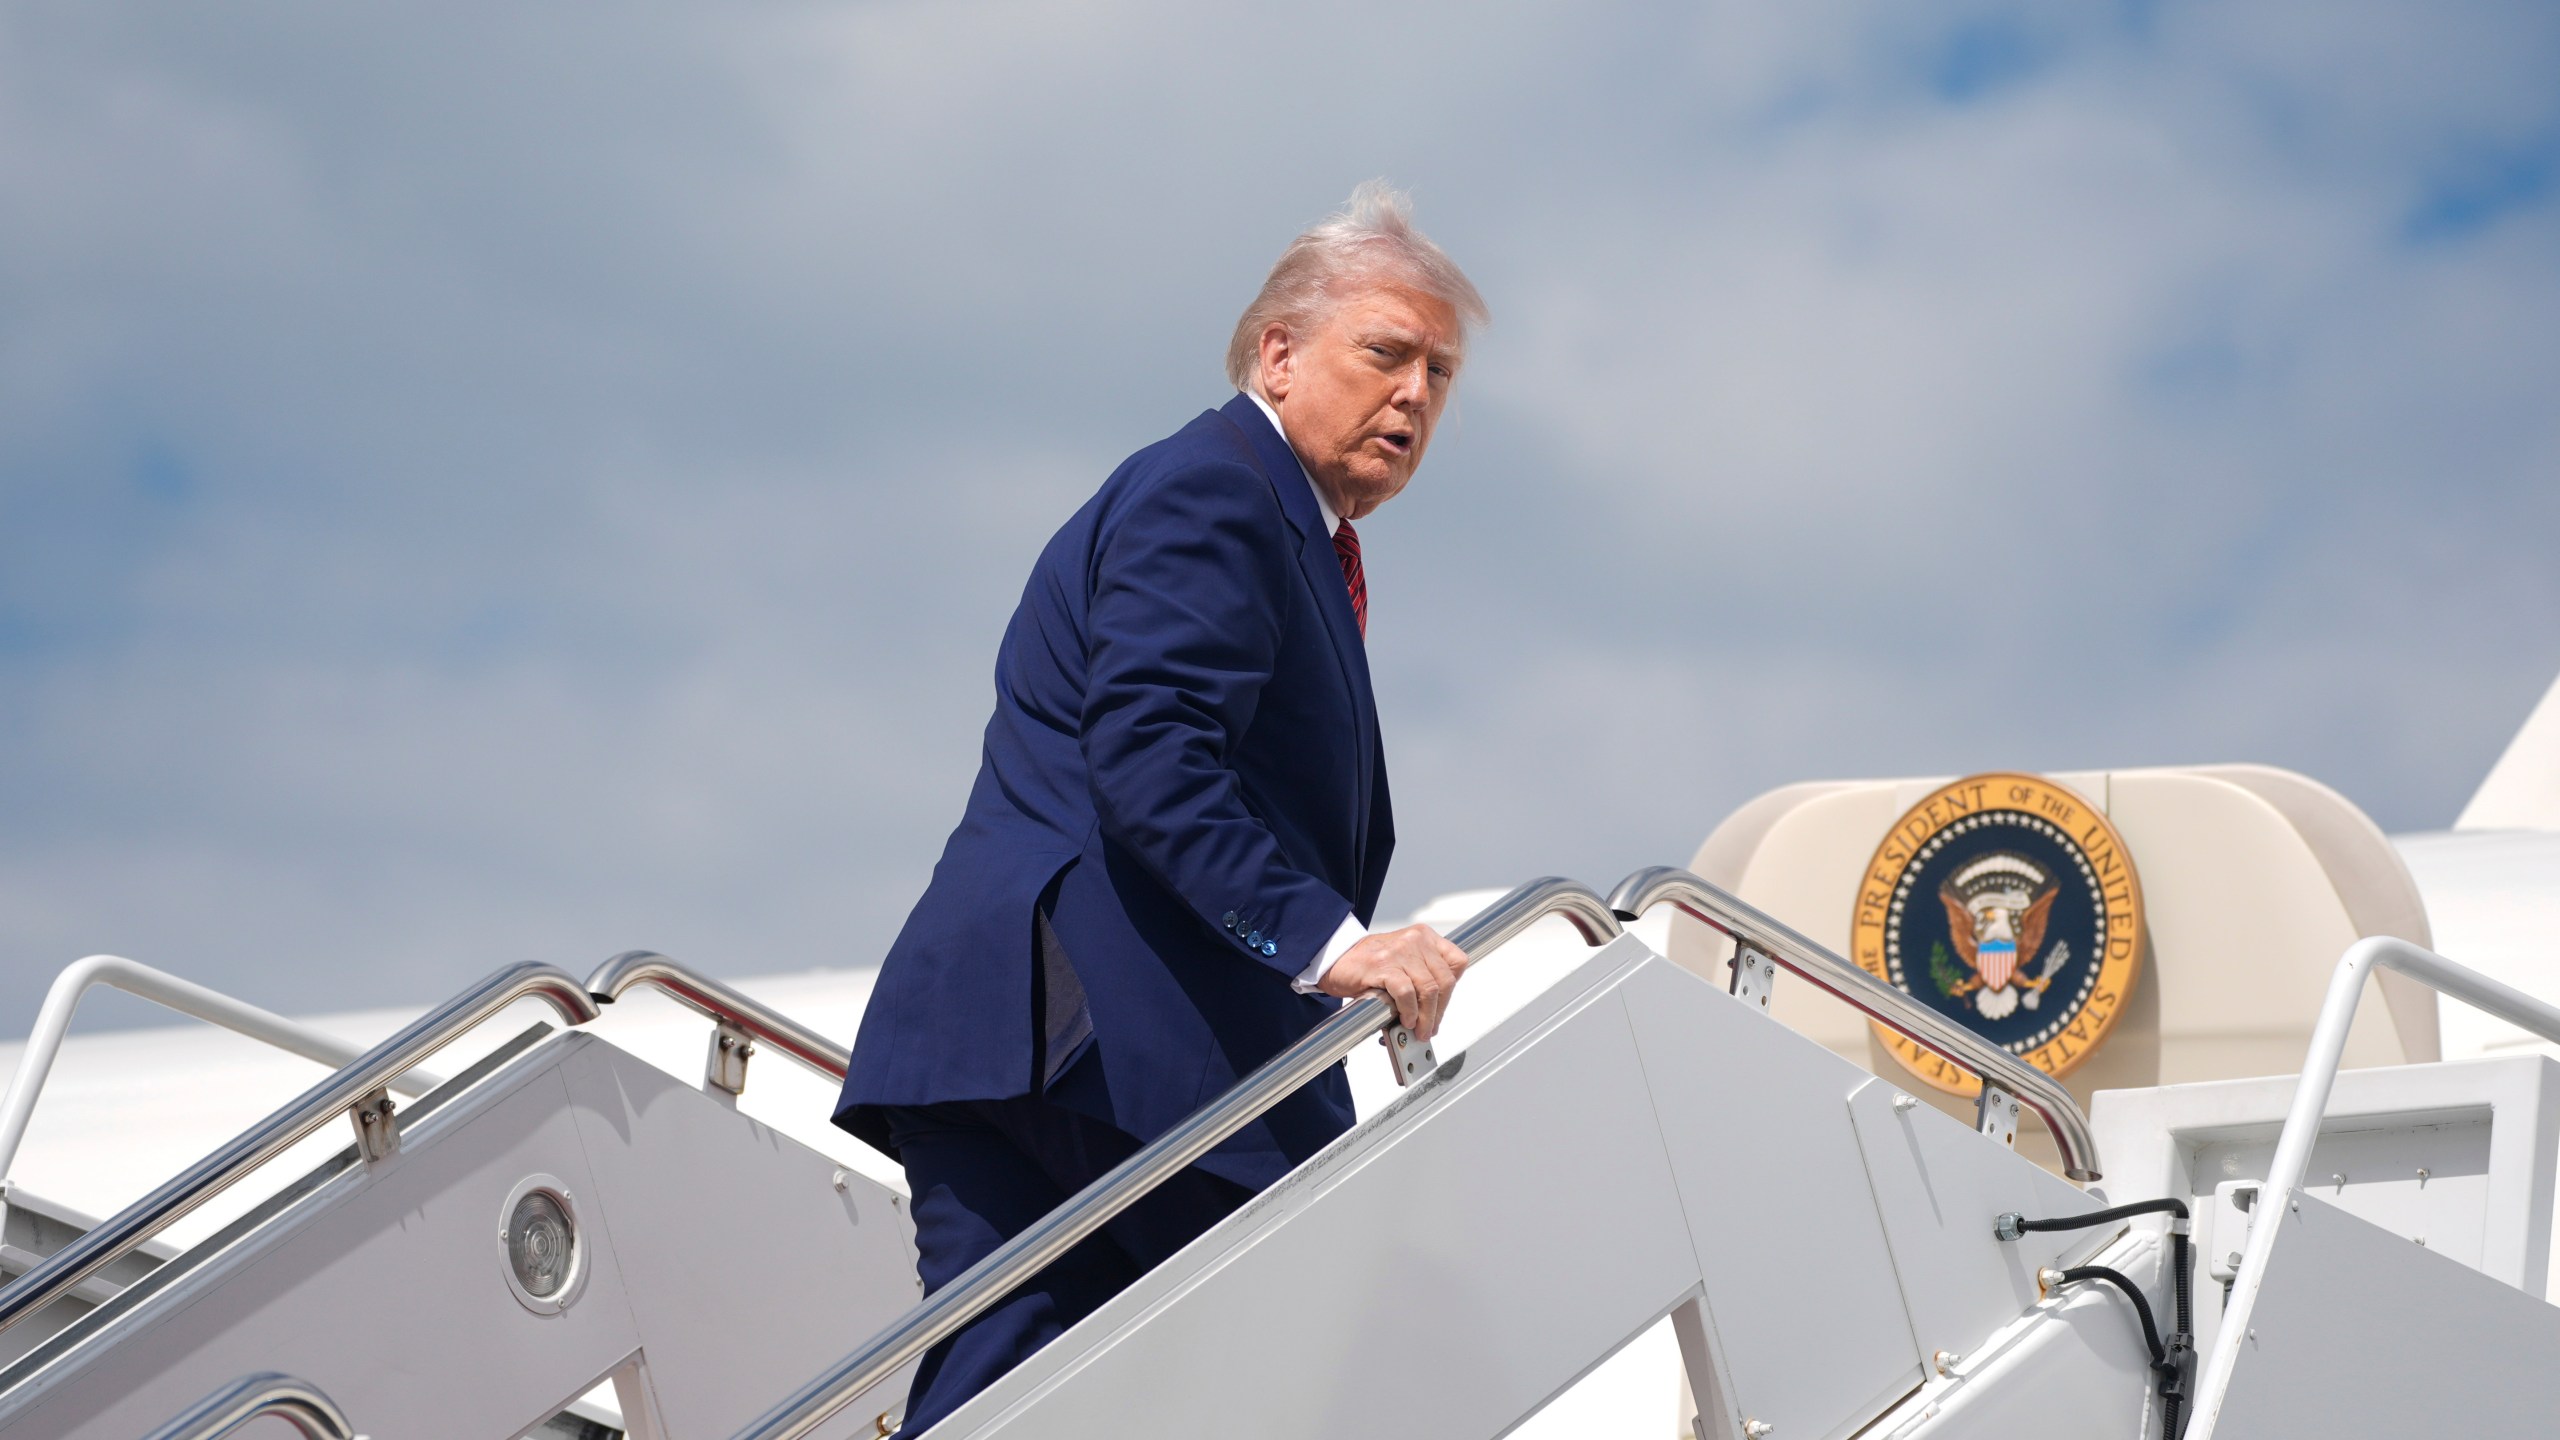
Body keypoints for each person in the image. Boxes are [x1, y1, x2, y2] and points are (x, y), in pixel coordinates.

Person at [834, 181, 1488, 1433]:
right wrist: (1338, 945)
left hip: (1015, 1038)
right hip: (1113, 1043)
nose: (1414, 396)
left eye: (1440, 375)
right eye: (1386, 354)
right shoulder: (1223, 490)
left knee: (1004, 1388)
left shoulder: (1266, 512)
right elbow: (1151, 753)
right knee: (1295, 1358)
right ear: (1278, 353)